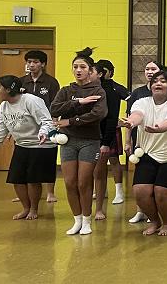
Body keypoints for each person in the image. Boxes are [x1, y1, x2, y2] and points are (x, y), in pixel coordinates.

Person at [120, 66, 167, 236]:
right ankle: (154, 221)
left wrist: (158, 128)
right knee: (140, 191)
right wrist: (131, 122)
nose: (158, 83)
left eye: (163, 81)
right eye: (155, 81)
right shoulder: (142, 102)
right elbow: (137, 115)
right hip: (149, 153)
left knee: (161, 192)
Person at [0, 75, 55, 220]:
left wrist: (43, 133)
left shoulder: (31, 101)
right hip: (22, 145)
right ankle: (26, 208)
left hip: (41, 145)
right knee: (16, 179)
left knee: (33, 180)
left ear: (8, 89)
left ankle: (33, 209)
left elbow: (47, 121)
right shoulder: (4, 106)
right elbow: (1, 130)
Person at [50, 48, 107, 235]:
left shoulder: (98, 90)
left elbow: (98, 114)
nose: (78, 70)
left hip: (89, 141)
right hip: (68, 140)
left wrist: (71, 120)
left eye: (82, 67)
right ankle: (77, 220)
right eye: (75, 67)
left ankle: (87, 220)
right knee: (69, 182)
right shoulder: (66, 90)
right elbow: (54, 109)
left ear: (90, 71)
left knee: (83, 182)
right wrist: (78, 102)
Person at [20, 50, 61, 203]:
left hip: (47, 122)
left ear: (43, 64)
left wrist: (54, 123)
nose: (31, 65)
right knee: (26, 158)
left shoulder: (51, 82)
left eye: (35, 62)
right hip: (27, 125)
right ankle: (25, 191)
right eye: (29, 62)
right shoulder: (21, 82)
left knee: (48, 158)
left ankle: (50, 192)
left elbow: (55, 104)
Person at [92, 60, 129, 220]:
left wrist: (125, 119)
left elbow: (131, 99)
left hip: (112, 129)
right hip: (96, 130)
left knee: (114, 159)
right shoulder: (92, 88)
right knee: (95, 161)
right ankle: (101, 190)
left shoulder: (115, 87)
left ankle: (119, 190)